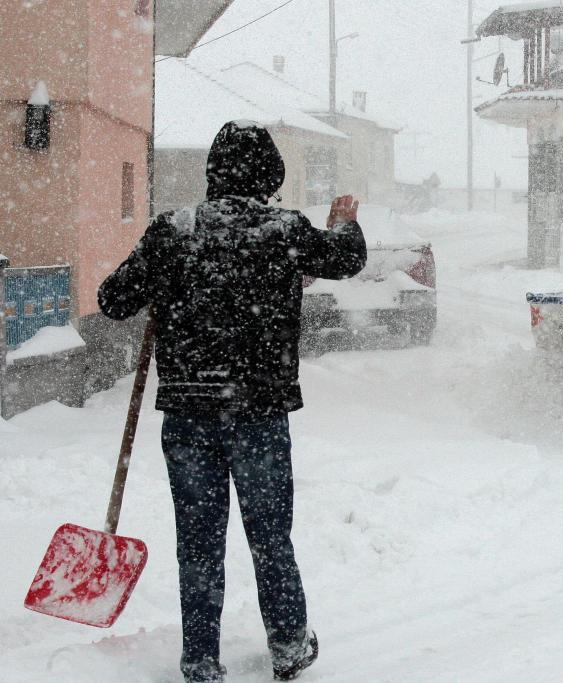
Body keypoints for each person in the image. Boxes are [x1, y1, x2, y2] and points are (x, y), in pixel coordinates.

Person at [98, 120, 367, 682]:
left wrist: (162, 278)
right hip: (259, 414)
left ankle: (200, 659)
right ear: (271, 174)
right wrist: (344, 224)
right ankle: (289, 644)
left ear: (213, 172)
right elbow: (344, 260)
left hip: (190, 413)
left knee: (197, 543)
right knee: (270, 536)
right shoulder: (283, 228)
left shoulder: (174, 231)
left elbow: (113, 299)